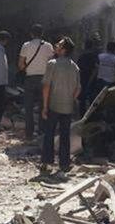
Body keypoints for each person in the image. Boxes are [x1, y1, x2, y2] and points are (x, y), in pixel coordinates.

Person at [41, 37, 80, 175]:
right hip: (67, 107)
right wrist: (70, 99)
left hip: (53, 105)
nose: (56, 46)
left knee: (49, 134)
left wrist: (44, 106)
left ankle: (47, 163)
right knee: (65, 135)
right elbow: (78, 89)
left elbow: (46, 86)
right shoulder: (75, 66)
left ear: (63, 50)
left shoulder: (52, 64)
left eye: (59, 45)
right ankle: (64, 164)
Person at [18, 24, 55, 140]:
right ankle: (42, 131)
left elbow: (20, 65)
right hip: (44, 80)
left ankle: (29, 133)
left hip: (30, 79)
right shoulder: (48, 46)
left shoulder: (26, 45)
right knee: (43, 106)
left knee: (28, 107)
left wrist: (26, 69)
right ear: (42, 33)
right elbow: (52, 64)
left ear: (31, 33)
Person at [76, 40, 99, 114]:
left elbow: (78, 68)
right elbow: (96, 68)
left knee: (82, 99)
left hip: (83, 79)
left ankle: (82, 115)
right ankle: (92, 115)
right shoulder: (94, 55)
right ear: (92, 46)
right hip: (92, 79)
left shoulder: (81, 56)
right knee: (92, 98)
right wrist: (92, 78)